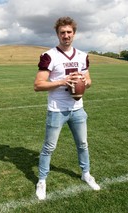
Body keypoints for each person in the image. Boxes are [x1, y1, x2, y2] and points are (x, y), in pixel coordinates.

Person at [34, 16, 100, 200]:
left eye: (69, 32)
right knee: (49, 147)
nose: (66, 35)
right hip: (57, 109)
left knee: (83, 144)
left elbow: (89, 80)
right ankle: (42, 180)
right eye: (62, 32)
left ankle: (86, 173)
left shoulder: (82, 55)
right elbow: (38, 85)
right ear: (57, 34)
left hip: (78, 108)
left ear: (74, 34)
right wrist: (63, 81)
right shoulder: (49, 56)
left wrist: (84, 82)